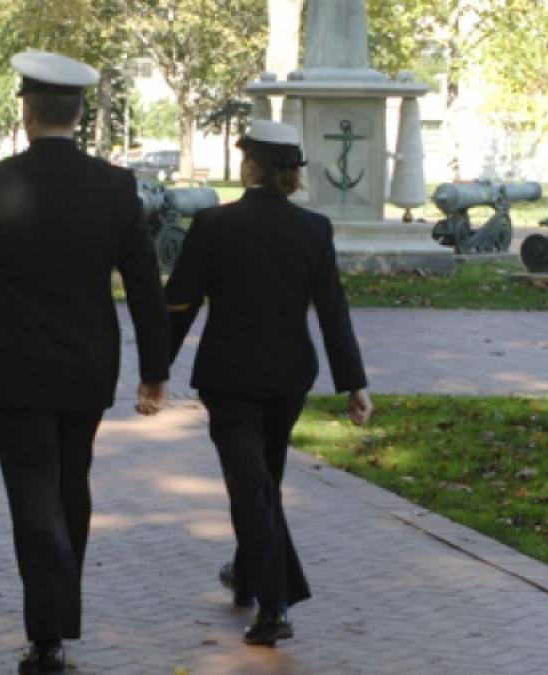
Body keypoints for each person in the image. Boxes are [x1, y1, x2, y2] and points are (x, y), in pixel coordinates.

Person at [0, 50, 171, 675]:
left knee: (32, 494)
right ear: (79, 113)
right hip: (89, 361)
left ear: (28, 111)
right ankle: (59, 618)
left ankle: (47, 635)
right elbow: (143, 283)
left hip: (18, 363)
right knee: (72, 485)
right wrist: (155, 370)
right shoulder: (115, 186)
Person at [161, 119, 374, 647]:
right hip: (288, 378)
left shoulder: (213, 223)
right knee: (262, 481)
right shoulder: (314, 229)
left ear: (250, 165)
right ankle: (246, 573)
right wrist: (354, 382)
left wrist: (155, 368)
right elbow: (332, 309)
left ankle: (274, 605)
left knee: (250, 487)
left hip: (229, 377)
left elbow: (181, 302)